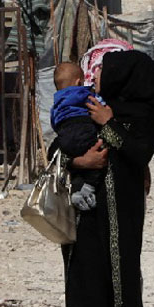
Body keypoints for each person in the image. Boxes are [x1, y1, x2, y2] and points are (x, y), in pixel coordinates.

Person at [62, 49, 154, 307]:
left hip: (121, 212)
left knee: (119, 277)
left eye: (103, 70)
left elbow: (138, 152)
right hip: (84, 209)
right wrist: (80, 163)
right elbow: (60, 145)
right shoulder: (87, 103)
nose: (95, 76)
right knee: (83, 278)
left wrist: (109, 124)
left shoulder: (139, 114)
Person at [50, 62, 102, 211]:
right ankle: (90, 186)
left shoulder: (57, 103)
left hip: (65, 134)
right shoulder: (86, 95)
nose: (94, 79)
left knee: (76, 171)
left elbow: (54, 124)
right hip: (84, 130)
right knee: (98, 151)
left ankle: (76, 192)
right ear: (79, 82)